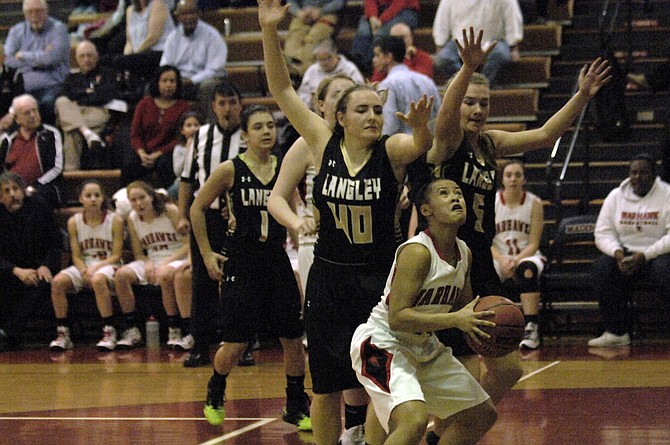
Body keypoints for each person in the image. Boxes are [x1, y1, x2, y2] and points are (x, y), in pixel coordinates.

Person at [422, 28, 611, 445]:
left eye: (484, 103)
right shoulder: (449, 142)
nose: (477, 109)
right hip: (447, 263)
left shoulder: (490, 145)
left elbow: (544, 136)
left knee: (507, 369)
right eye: (470, 101)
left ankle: (442, 431)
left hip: (480, 265)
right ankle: (436, 427)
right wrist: (469, 68)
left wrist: (581, 96)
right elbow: (446, 115)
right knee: (460, 365)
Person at [259, 0, 435, 443]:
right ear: (339, 118)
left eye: (377, 110)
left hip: (377, 282)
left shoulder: (391, 151)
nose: (373, 116)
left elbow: (422, 146)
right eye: (363, 110)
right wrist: (268, 30)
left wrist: (422, 129)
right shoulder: (321, 143)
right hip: (329, 278)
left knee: (378, 382)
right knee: (326, 386)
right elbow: (282, 90)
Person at [351, 178, 497, 445]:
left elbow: (462, 309)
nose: (456, 198)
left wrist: (488, 325)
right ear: (426, 210)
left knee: (482, 414)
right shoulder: (417, 252)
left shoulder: (464, 252)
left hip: (422, 345)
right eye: (444, 193)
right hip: (383, 342)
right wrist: (457, 319)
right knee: (414, 420)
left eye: (458, 194)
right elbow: (397, 318)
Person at [191, 104, 311, 430]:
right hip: (241, 260)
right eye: (258, 127)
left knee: (292, 336)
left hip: (275, 257)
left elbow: (295, 211)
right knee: (237, 342)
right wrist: (206, 254)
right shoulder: (230, 169)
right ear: (244, 135)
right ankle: (217, 386)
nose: (267, 131)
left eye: (270, 125)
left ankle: (296, 402)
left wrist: (304, 248)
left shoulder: (285, 168)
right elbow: (197, 208)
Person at [271, 74, 372, 445]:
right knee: (333, 349)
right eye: (342, 96)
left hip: (369, 256)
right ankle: (343, 426)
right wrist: (298, 220)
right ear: (324, 106)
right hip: (322, 249)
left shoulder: (373, 145)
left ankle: (357, 428)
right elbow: (278, 197)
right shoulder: (310, 144)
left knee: (365, 347)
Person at [177, 80, 245, 368]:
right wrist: (182, 215)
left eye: (232, 102)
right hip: (207, 218)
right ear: (213, 106)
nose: (227, 108)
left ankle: (243, 344)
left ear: (240, 104)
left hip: (242, 220)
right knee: (203, 282)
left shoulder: (249, 133)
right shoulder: (201, 136)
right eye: (221, 103)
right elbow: (187, 180)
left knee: (241, 282)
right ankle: (199, 345)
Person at [588, 153, 670, 347]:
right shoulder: (616, 196)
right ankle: (616, 332)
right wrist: (616, 252)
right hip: (625, 253)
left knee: (665, 272)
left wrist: (645, 255)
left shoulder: (666, 194)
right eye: (633, 173)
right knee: (602, 268)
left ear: (653, 175)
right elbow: (602, 232)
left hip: (657, 253)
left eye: (643, 173)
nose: (637, 177)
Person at [48, 180, 124, 351]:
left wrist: (94, 269)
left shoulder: (115, 220)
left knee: (97, 280)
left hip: (109, 264)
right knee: (57, 282)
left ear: (103, 198)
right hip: (85, 265)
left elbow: (116, 255)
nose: (93, 199)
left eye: (97, 195)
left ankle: (109, 331)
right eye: (88, 196)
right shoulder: (74, 222)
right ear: (81, 199)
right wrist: (83, 270)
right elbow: (76, 255)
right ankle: (63, 333)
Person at [113, 180, 190, 350]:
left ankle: (174, 328)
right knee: (121, 275)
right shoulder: (132, 219)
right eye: (133, 200)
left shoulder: (170, 211)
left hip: (178, 256)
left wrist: (165, 263)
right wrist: (147, 263)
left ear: (151, 197)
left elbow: (188, 244)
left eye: (142, 198)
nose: (138, 203)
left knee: (164, 275)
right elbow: (139, 253)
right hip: (153, 259)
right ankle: (132, 329)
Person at [0, 171, 61, 352]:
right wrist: (15, 270)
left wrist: (46, 265)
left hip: (39, 267)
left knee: (41, 283)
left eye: (16, 189)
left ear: (23, 191)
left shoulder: (40, 207)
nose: (12, 194)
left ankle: (8, 332)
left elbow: (56, 242)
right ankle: (9, 333)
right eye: (7, 191)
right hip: (10, 269)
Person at [491, 160, 545, 350]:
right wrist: (503, 260)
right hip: (498, 255)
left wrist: (516, 260)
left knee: (527, 270)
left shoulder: (534, 203)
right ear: (502, 179)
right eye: (508, 175)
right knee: (484, 271)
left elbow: (534, 242)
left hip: (526, 254)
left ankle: (531, 327)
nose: (513, 179)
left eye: (517, 175)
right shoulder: (493, 202)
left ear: (524, 179)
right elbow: (487, 241)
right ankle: (490, 327)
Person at [55, 40, 120, 171]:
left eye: (90, 55)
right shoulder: (71, 78)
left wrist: (80, 96)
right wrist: (89, 93)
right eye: (82, 56)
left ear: (97, 57)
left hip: (97, 112)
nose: (86, 59)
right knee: (61, 102)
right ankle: (87, 133)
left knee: (70, 128)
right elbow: (64, 95)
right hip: (76, 112)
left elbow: (104, 95)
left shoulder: (106, 74)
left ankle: (71, 176)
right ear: (77, 60)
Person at [123, 65, 191, 189]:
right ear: (157, 83)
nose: (168, 85)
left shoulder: (183, 107)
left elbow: (180, 138)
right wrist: (142, 153)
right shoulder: (144, 103)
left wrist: (158, 154)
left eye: (172, 81)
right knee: (129, 164)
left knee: (165, 165)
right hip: (144, 151)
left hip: (167, 152)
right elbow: (135, 134)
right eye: (164, 81)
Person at [3, 0, 70, 125]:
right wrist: (40, 57)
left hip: (51, 85)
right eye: (30, 12)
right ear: (24, 14)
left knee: (45, 104)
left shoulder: (58, 29)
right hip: (22, 87)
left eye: (38, 11)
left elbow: (51, 58)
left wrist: (22, 55)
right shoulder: (16, 31)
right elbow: (7, 59)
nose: (34, 15)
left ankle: (46, 138)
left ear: (46, 12)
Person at [432, 0, 523, 86]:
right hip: (459, 43)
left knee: (500, 54)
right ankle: (464, 86)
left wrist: (513, 46)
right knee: (443, 59)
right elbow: (442, 22)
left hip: (493, 42)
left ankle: (482, 86)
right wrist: (440, 44)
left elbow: (512, 17)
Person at [160, 0, 228, 112]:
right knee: (152, 87)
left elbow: (216, 69)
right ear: (178, 17)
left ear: (199, 14)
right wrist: (173, 80)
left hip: (202, 82)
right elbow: (165, 64)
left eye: (192, 13)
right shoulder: (173, 37)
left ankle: (211, 126)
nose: (189, 17)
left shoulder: (212, 35)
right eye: (184, 14)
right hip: (178, 82)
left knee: (208, 86)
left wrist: (192, 80)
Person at [0, 94, 64, 208]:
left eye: (35, 111)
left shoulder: (51, 134)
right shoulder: (7, 140)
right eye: (27, 113)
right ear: (16, 119)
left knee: (35, 199)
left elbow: (57, 168)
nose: (33, 115)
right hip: (12, 189)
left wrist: (34, 186)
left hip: (43, 187)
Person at [373, 35, 441, 136]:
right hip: (430, 143)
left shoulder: (387, 84)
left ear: (388, 57)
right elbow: (439, 115)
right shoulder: (426, 80)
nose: (374, 60)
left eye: (377, 55)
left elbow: (390, 126)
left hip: (402, 147)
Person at [349, 0, 419, 77]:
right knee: (363, 32)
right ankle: (357, 66)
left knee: (381, 34)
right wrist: (372, 17)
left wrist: (381, 20)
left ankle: (373, 69)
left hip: (404, 10)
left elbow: (400, 3)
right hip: (378, 11)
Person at [116, 0, 176, 82]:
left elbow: (153, 38)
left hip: (159, 53)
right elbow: (129, 42)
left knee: (120, 62)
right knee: (113, 61)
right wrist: (126, 59)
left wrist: (132, 57)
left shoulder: (158, 4)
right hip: (139, 55)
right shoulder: (130, 10)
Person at [283, 0, 346, 76]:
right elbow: (290, 1)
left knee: (313, 39)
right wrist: (298, 12)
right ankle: (294, 71)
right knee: (294, 39)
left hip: (328, 14)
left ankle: (302, 73)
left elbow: (340, 2)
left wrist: (321, 11)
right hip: (302, 13)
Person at [297, 39, 365, 108]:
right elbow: (302, 94)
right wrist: (311, 100)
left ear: (335, 54)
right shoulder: (312, 71)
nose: (325, 63)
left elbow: (360, 92)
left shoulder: (350, 69)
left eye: (328, 58)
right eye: (321, 60)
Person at [170, 110, 203, 199]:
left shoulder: (205, 147)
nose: (193, 129)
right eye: (189, 126)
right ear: (182, 130)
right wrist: (188, 151)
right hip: (183, 181)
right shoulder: (179, 149)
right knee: (173, 191)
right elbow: (177, 171)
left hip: (201, 179)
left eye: (196, 125)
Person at [0, 44, 24, 133]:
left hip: (10, 118)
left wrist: (10, 115)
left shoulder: (14, 75)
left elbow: (19, 99)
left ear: (3, 57)